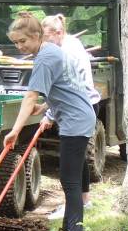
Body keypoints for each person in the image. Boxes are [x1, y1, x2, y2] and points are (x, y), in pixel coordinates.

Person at [3, 11, 96, 231]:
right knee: (74, 177)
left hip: (75, 121)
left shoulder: (45, 57)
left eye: (23, 41)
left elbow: (30, 95)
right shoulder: (52, 52)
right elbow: (65, 85)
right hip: (78, 116)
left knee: (70, 181)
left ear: (37, 36)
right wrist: (45, 108)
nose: (19, 46)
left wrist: (15, 130)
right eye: (15, 43)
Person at [42, 14, 101, 220]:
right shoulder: (70, 43)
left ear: (58, 32)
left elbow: (70, 87)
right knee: (79, 159)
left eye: (47, 38)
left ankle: (72, 210)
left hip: (80, 107)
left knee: (69, 170)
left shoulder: (66, 51)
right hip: (83, 105)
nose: (45, 44)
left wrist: (49, 114)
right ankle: (85, 201)